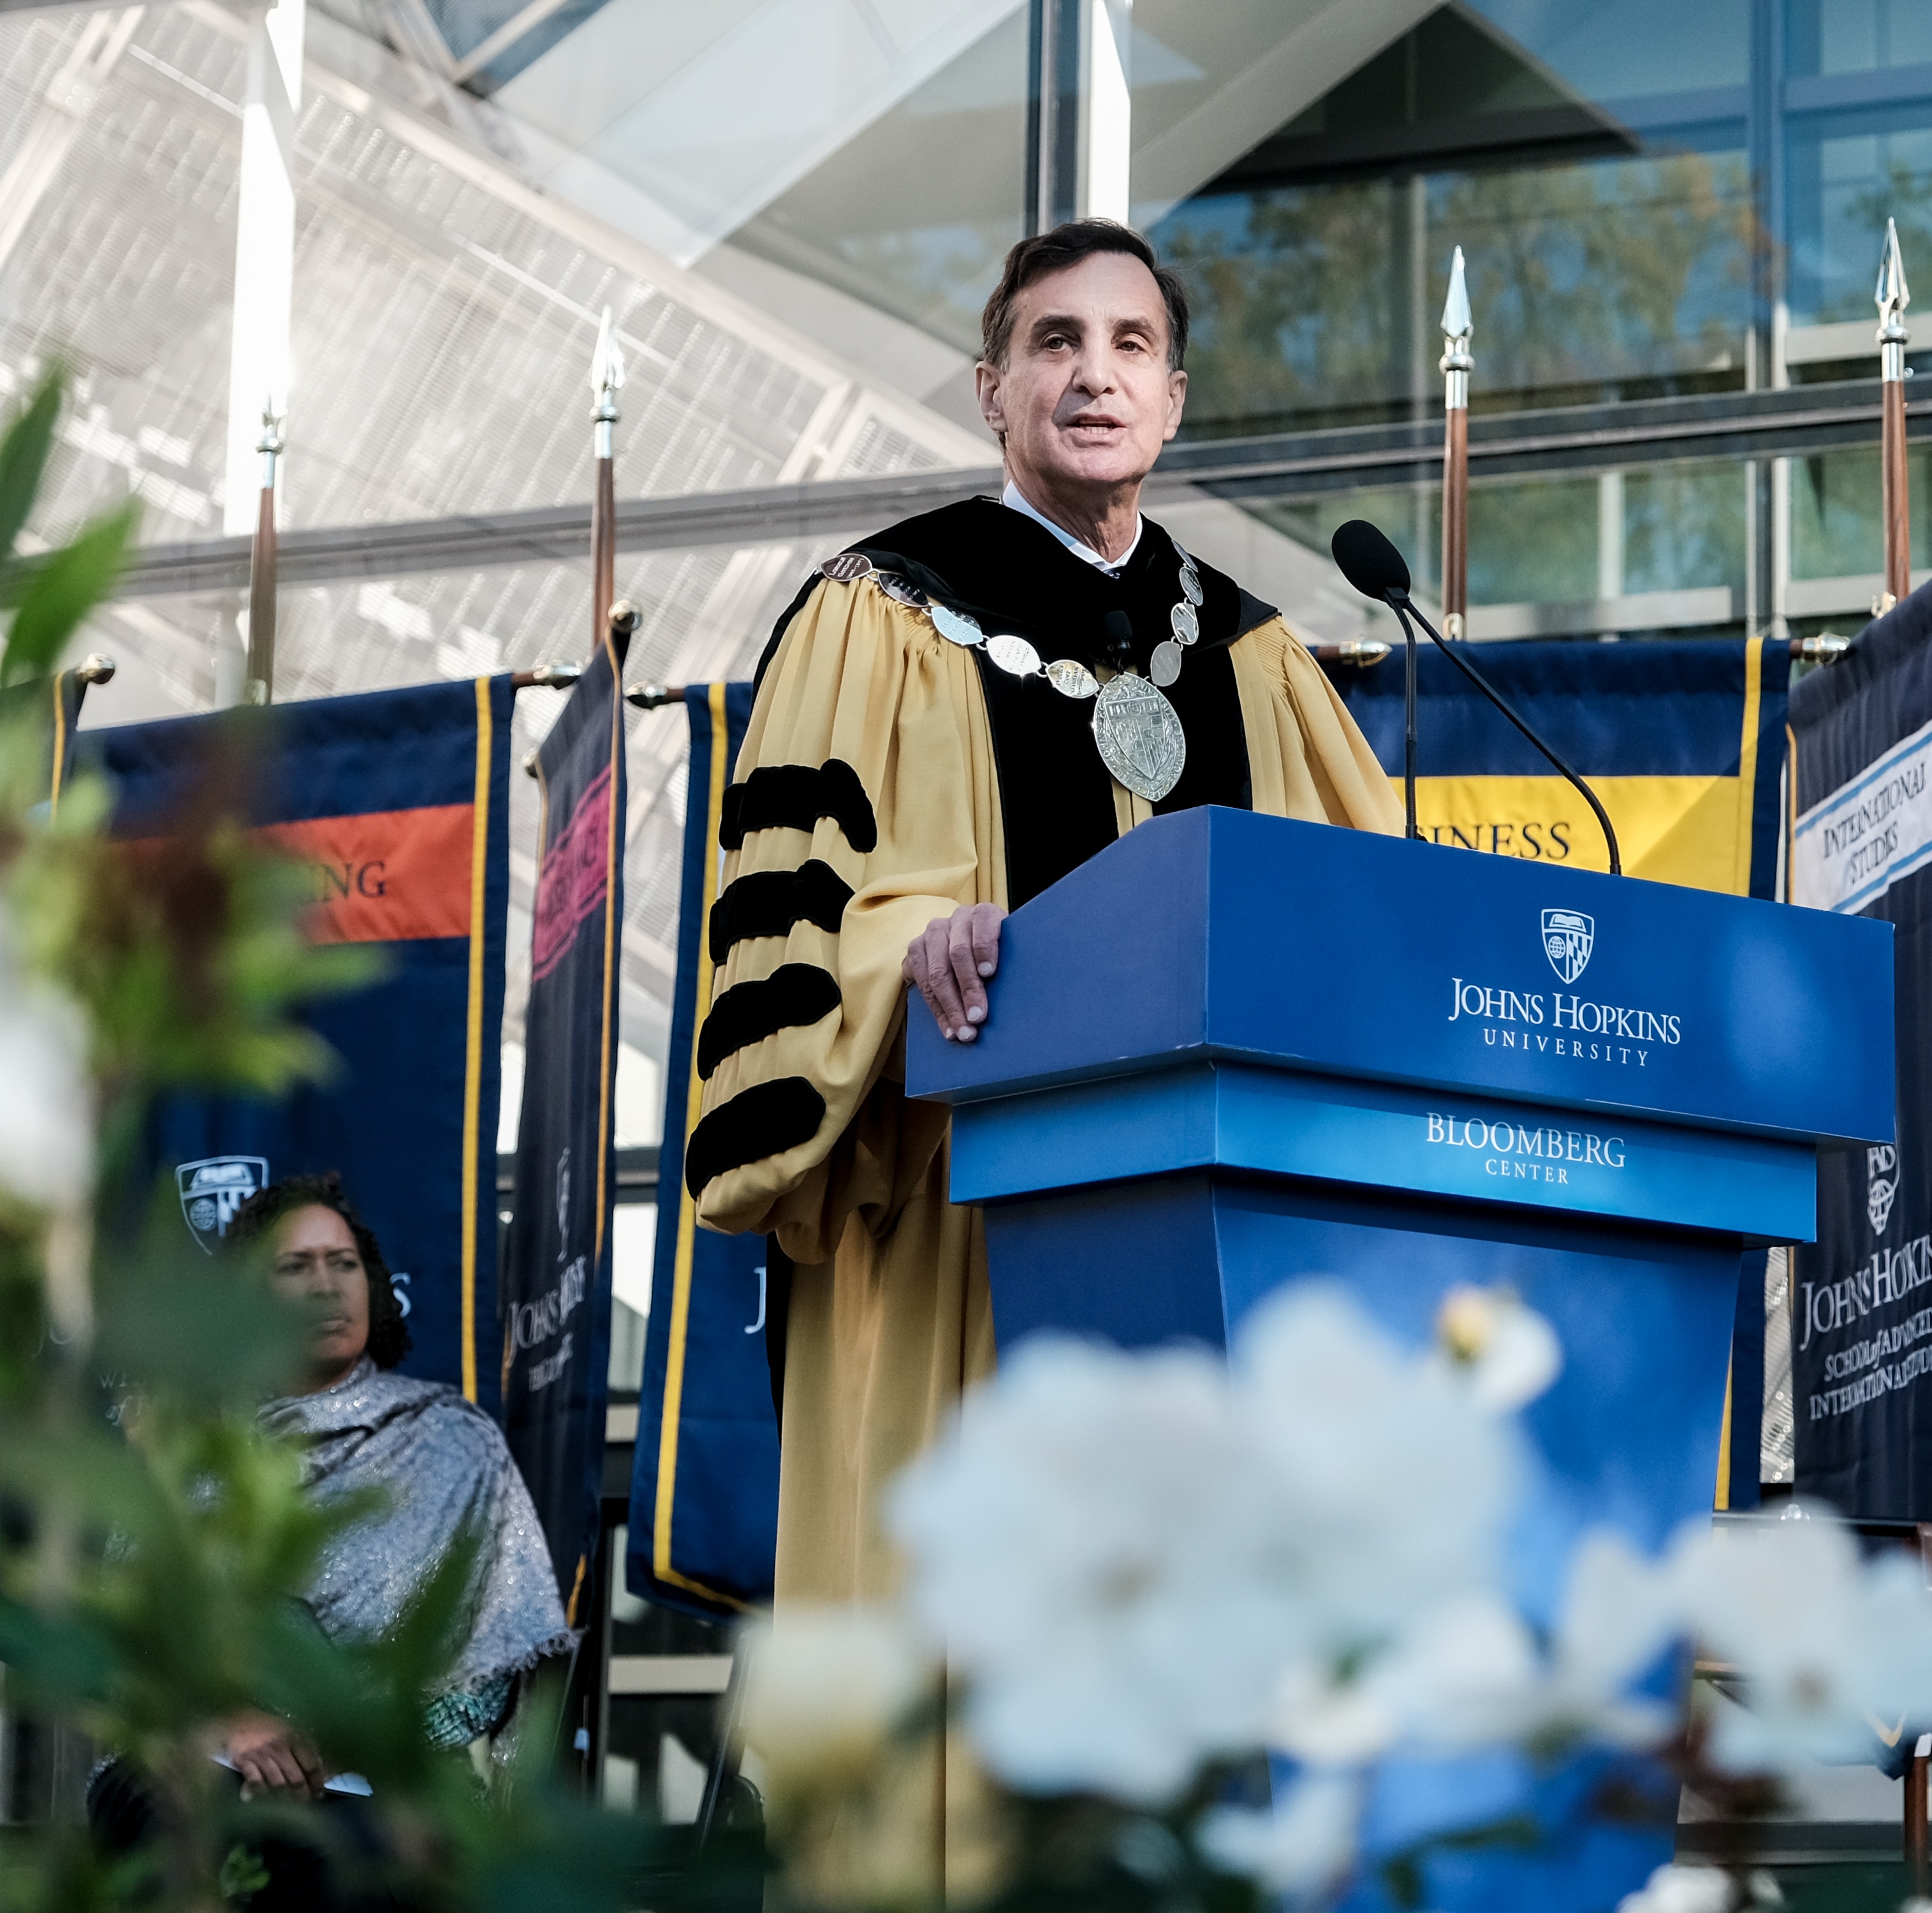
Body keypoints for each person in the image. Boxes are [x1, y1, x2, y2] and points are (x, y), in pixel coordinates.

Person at [685, 219, 1401, 1615]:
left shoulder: (1255, 656)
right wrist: (907, 953)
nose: (1094, 374)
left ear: (1172, 399)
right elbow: (789, 926)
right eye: (1055, 342)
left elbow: (1363, 927)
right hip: (956, 1225)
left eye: (1132, 344)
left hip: (1209, 1236)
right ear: (992, 390)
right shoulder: (879, 613)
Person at [89, 1173, 571, 1900]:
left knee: (338, 1857)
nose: (326, 1285)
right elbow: (133, 1652)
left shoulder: (453, 1444)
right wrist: (232, 1726)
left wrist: (330, 1742)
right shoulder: (192, 1449)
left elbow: (489, 1680)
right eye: (295, 1267)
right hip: (196, 1768)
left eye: (343, 1264)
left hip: (384, 1784)